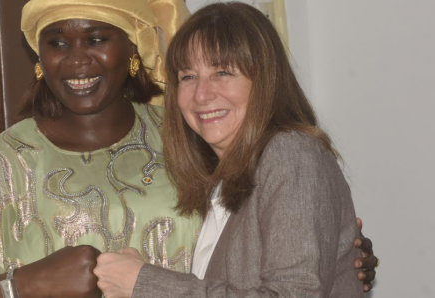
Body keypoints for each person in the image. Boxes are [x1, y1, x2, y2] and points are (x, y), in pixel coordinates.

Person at [0, 1, 377, 297]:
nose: (77, 59)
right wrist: (22, 287)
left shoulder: (188, 140)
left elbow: (271, 249)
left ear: (134, 49)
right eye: (57, 42)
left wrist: (336, 255)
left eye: (98, 38)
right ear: (39, 58)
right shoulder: (3, 165)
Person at [94, 2, 372, 297]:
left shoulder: (291, 153)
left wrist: (145, 283)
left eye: (222, 72)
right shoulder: (222, 179)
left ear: (266, 79)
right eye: (188, 76)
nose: (201, 94)